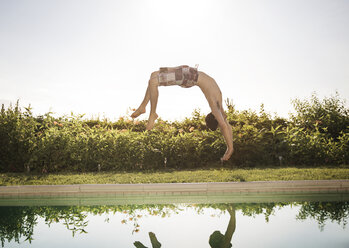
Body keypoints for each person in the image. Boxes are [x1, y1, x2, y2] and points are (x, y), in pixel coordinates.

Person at [131, 65, 233, 161]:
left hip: (189, 76)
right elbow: (225, 126)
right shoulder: (219, 109)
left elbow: (224, 126)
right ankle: (143, 107)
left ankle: (152, 113)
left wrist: (229, 149)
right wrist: (230, 148)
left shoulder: (216, 105)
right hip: (190, 74)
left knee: (153, 82)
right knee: (153, 75)